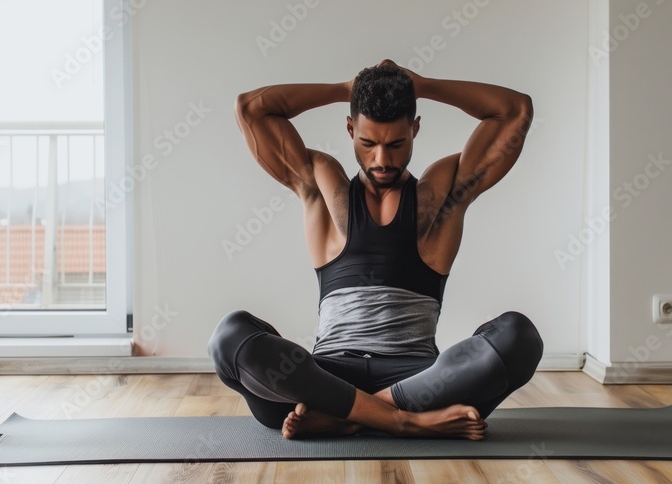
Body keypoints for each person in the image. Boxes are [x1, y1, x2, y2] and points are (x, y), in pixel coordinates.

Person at [209, 59, 543, 440]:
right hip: (325, 378)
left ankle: (350, 419)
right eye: (367, 143)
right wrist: (342, 89)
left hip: (420, 382)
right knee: (229, 336)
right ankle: (402, 422)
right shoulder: (322, 184)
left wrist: (423, 84)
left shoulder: (440, 194)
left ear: (415, 129)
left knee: (519, 335)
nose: (382, 159)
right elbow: (252, 108)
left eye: (397, 144)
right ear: (350, 128)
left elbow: (514, 110)